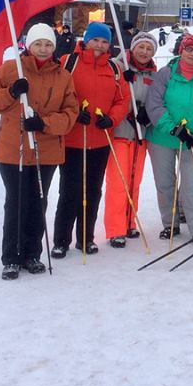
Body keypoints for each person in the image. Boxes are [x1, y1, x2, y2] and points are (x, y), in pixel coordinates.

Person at [0, 23, 79, 280]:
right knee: (16, 201)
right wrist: (11, 92)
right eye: (38, 44)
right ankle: (11, 257)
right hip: (14, 148)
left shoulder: (63, 76)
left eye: (48, 44)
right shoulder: (12, 69)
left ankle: (32, 253)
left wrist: (44, 123)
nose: (43, 49)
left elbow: (70, 113)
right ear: (28, 45)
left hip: (46, 150)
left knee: (38, 202)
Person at [51, 22, 130, 258]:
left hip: (100, 139)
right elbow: (57, 94)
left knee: (93, 190)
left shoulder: (114, 69)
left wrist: (112, 118)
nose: (99, 45)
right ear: (86, 40)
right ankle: (61, 239)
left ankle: (86, 238)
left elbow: (122, 100)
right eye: (95, 40)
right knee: (69, 190)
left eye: (104, 41)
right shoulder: (68, 62)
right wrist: (74, 113)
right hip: (73, 139)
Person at [146, 34, 193, 247]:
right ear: (181, 51)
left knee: (191, 184)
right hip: (163, 138)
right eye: (189, 49)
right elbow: (155, 105)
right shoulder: (165, 74)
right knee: (165, 183)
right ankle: (170, 223)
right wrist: (173, 129)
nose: (192, 54)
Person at [103, 31, 157, 248]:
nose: (144, 52)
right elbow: (110, 94)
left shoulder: (154, 74)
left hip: (141, 132)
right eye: (141, 47)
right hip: (120, 131)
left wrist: (148, 115)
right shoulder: (117, 66)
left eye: (149, 48)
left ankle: (128, 221)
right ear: (133, 47)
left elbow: (157, 101)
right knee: (118, 182)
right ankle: (115, 228)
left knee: (135, 180)